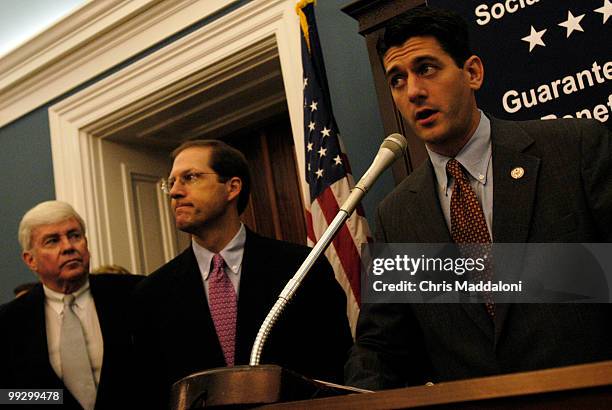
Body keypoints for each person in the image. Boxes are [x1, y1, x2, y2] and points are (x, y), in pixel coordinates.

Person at [345, 6, 612, 390]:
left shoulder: (575, 150)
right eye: (397, 79)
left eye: (426, 68)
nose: (414, 91)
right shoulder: (398, 213)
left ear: (472, 73)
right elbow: (383, 346)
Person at [132, 140, 352, 407]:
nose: (175, 192)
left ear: (232, 187)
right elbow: (150, 393)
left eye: (190, 177)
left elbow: (335, 365)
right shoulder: (152, 293)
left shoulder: (301, 267)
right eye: (172, 182)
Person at [0, 201, 142, 409]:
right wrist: (54, 398)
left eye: (75, 236)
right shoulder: (9, 321)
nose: (68, 247)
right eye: (52, 241)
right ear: (30, 260)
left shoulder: (134, 293)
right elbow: (8, 395)